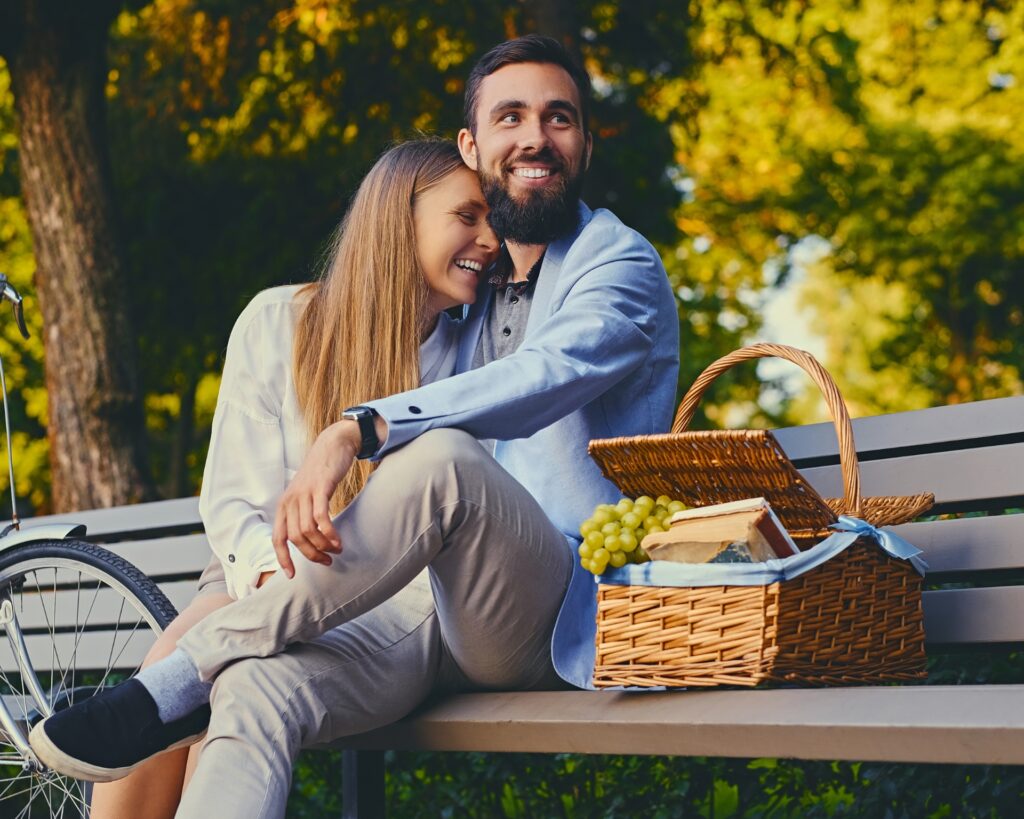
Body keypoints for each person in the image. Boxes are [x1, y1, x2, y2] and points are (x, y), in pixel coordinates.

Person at [31, 35, 680, 818]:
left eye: (559, 117)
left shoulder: (617, 268)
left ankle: (171, 682)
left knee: (439, 458)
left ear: (585, 140)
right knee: (255, 689)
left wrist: (358, 428)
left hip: (538, 610)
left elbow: (537, 382)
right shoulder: (456, 301)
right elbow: (241, 506)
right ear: (473, 147)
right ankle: (196, 676)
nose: (536, 136)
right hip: (394, 610)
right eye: (511, 116)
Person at [86, 136, 499, 819]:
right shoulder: (279, 321)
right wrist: (280, 587)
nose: (489, 239)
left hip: (386, 608)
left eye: (493, 221)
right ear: (400, 217)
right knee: (205, 644)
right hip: (255, 578)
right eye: (468, 216)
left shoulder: (474, 357)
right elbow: (233, 506)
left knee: (218, 666)